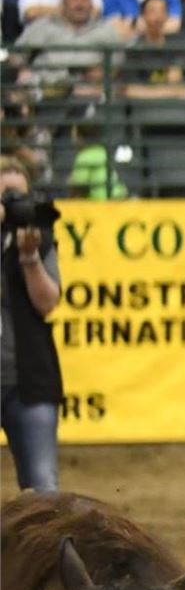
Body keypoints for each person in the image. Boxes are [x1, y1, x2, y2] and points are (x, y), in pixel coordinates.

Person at [1, 157, 65, 492]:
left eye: (18, 196)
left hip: (28, 378)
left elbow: (47, 303)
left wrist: (29, 259)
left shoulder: (38, 237)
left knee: (42, 486)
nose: (12, 205)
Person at [18, 0, 127, 93]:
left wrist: (105, 72)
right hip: (45, 87)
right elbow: (16, 54)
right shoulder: (43, 26)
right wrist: (23, 71)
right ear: (64, 4)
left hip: (90, 89)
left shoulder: (106, 30)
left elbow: (117, 61)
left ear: (91, 5)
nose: (80, 4)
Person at [123, 0, 185, 100]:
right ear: (143, 15)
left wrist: (148, 92)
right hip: (144, 110)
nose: (158, 17)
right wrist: (171, 92)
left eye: (162, 11)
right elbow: (131, 90)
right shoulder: (134, 50)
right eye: (153, 11)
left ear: (167, 16)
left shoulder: (179, 46)